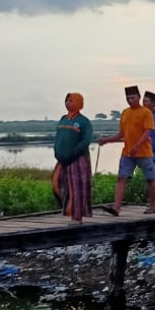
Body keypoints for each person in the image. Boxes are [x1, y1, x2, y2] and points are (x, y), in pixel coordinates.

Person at [97, 85, 155, 216]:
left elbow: (147, 132)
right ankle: (116, 207)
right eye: (128, 98)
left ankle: (153, 206)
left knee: (151, 179)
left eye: (133, 97)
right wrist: (106, 140)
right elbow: (121, 134)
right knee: (121, 178)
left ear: (139, 97)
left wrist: (137, 146)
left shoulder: (146, 113)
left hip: (144, 153)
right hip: (127, 153)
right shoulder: (125, 113)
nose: (130, 100)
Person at [53, 92, 93, 224]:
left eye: (71, 101)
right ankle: (67, 211)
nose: (68, 103)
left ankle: (77, 216)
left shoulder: (83, 121)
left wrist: (74, 153)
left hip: (78, 159)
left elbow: (86, 140)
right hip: (63, 160)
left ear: (78, 103)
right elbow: (58, 138)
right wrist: (58, 152)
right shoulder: (63, 119)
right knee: (58, 183)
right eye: (66, 101)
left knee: (77, 186)